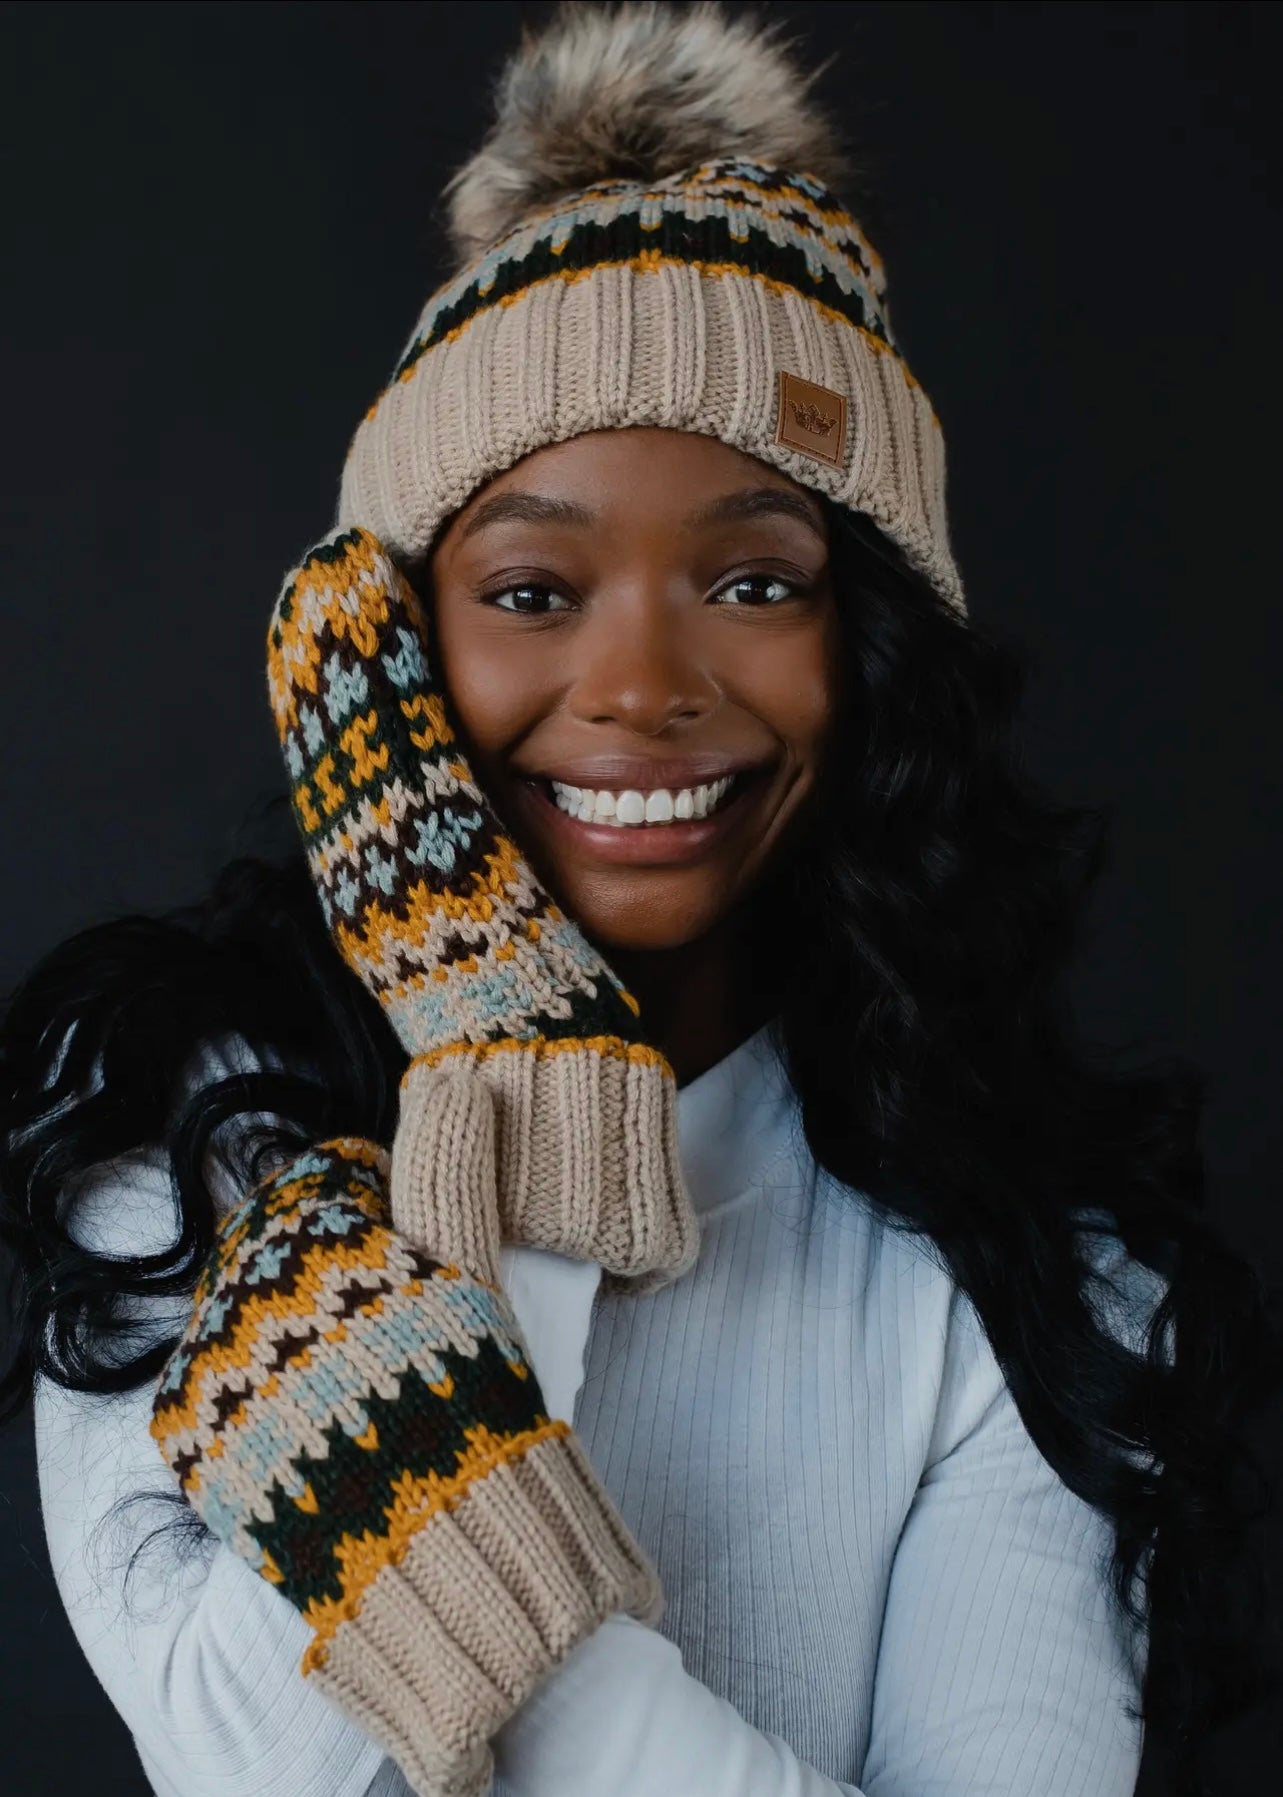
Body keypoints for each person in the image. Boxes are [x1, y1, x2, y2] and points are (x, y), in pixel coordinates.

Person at [1, 4, 1278, 1795]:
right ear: (389, 646)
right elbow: (247, 1771)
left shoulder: (1043, 1287)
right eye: (532, 588)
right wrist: (505, 1098)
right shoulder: (183, 1135)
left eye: (756, 579)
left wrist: (422, 1503)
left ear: (875, 646)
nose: (642, 684)